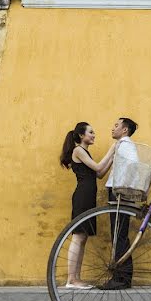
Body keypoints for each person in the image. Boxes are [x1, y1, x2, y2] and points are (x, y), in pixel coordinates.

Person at [59, 121, 117, 289]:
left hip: (88, 196)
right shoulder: (78, 150)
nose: (93, 135)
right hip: (82, 196)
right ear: (81, 135)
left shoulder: (85, 152)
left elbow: (99, 174)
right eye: (91, 132)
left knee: (82, 237)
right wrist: (112, 150)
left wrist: (113, 158)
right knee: (78, 236)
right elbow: (98, 166)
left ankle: (76, 278)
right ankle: (71, 279)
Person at [99, 117, 139, 290]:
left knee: (119, 234)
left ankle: (121, 278)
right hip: (119, 192)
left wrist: (122, 187)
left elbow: (133, 165)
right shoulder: (122, 145)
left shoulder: (125, 145)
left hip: (119, 193)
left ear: (125, 130)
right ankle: (123, 276)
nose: (113, 128)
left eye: (116, 125)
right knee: (119, 234)